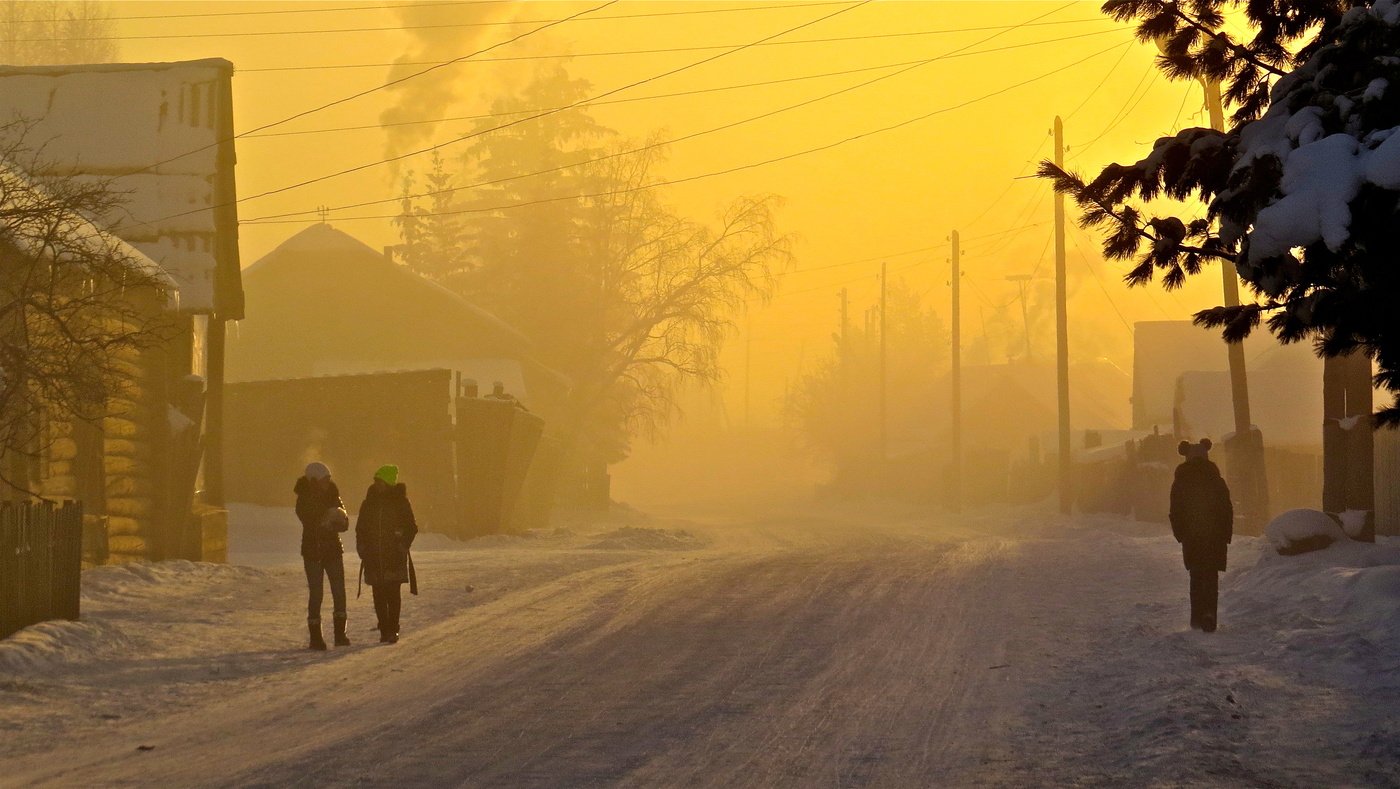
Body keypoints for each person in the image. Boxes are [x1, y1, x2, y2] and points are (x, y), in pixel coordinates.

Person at [1169, 439, 1233, 632]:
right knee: (1211, 576)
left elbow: (1175, 510)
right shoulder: (1216, 479)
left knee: (1196, 576)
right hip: (1214, 535)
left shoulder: (1180, 481)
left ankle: (1196, 618)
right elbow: (1226, 508)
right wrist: (1226, 534)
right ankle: (1210, 615)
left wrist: (1180, 533)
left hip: (1192, 535)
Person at [356, 464, 418, 644]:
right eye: (376, 481)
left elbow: (411, 528)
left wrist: (402, 544)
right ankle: (384, 629)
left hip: (394, 556)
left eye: (381, 481)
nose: (377, 484)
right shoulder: (368, 503)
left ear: (389, 483)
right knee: (378, 593)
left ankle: (393, 628)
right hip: (373, 555)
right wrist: (362, 547)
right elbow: (361, 528)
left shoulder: (401, 502)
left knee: (392, 593)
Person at [294, 461, 350, 650]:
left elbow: (343, 520)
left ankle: (340, 634)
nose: (328, 482)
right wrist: (329, 516)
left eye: (328, 479)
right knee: (316, 594)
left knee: (339, 592)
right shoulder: (303, 497)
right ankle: (315, 637)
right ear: (314, 480)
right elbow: (310, 520)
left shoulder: (333, 493)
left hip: (333, 549)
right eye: (324, 479)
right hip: (313, 551)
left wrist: (338, 519)